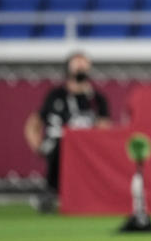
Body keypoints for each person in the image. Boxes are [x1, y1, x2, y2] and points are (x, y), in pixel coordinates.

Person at [23, 51, 111, 211]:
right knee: (61, 145)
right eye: (77, 66)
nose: (80, 71)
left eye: (84, 67)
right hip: (57, 143)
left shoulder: (96, 99)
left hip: (86, 148)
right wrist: (36, 145)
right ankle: (52, 191)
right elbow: (34, 122)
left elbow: (104, 129)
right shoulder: (56, 95)